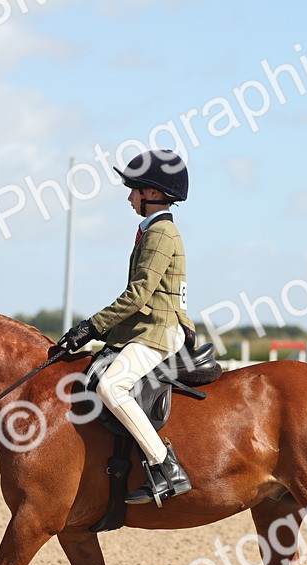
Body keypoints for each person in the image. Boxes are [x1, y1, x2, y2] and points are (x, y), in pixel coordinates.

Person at [54, 149, 195, 505]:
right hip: (147, 326)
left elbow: (138, 294)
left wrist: (91, 326)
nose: (129, 196)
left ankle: (165, 467)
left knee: (112, 387)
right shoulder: (152, 230)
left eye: (133, 189)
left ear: (151, 193)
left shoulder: (161, 233)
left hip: (159, 330)